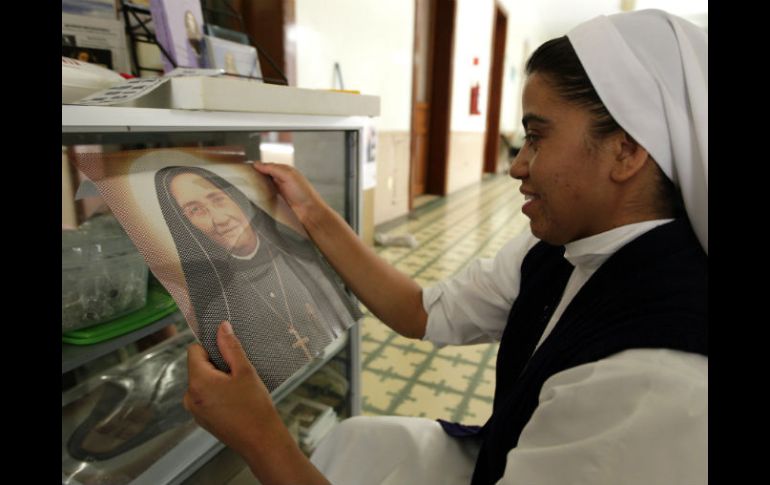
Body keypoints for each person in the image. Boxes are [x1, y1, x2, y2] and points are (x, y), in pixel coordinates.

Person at [182, 9, 707, 485]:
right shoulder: (559, 250)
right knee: (361, 440)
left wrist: (257, 434)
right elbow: (420, 311)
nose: (516, 166)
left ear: (626, 150)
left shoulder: (651, 386)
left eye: (537, 137)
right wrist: (312, 214)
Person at [155, 165, 361, 392]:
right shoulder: (216, 308)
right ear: (185, 225)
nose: (220, 219)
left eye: (218, 199)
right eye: (195, 210)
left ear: (237, 197)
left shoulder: (303, 257)